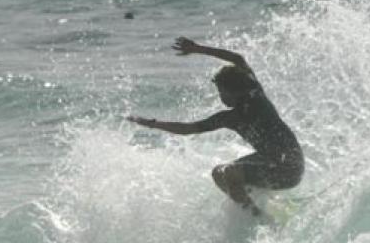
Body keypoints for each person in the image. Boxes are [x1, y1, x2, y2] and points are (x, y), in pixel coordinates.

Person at [128, 36, 304, 217]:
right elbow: (188, 129)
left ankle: (255, 215)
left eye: (221, 92)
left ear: (233, 91)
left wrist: (198, 48)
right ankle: (255, 208)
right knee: (219, 173)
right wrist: (153, 124)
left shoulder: (256, 95)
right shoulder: (229, 118)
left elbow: (237, 59)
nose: (220, 97)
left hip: (290, 168)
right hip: (267, 163)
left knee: (231, 172)